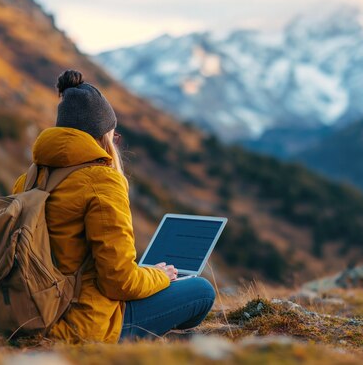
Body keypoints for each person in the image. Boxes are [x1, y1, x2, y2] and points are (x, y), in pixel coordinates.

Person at [11, 69, 215, 343]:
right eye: (114, 136)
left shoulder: (30, 178)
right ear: (104, 137)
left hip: (28, 314)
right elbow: (119, 281)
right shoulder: (102, 182)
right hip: (82, 326)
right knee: (201, 291)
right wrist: (159, 276)